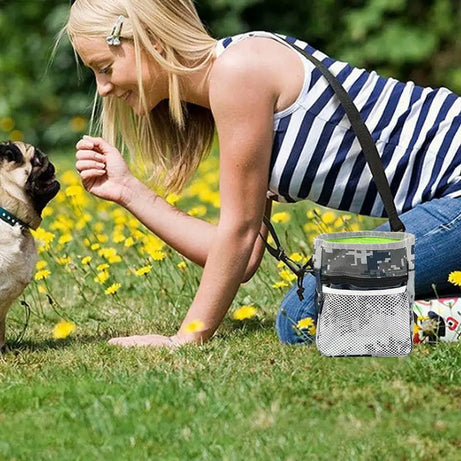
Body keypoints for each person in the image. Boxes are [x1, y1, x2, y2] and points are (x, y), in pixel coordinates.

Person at [65, 0, 461, 347]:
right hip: (449, 203)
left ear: (149, 40)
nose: (102, 88)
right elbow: (244, 253)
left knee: (306, 317)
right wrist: (128, 190)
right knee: (307, 315)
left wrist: (186, 337)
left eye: (105, 67)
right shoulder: (232, 82)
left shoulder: (239, 71)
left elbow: (238, 234)